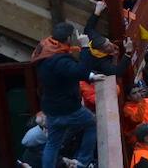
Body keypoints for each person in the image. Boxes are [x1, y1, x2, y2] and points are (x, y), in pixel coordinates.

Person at [34, 14, 114, 168]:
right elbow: (80, 70)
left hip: (50, 109)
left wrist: (91, 76)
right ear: (69, 38)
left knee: (52, 143)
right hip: (68, 109)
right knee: (91, 123)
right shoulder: (60, 60)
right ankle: (83, 162)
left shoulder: (45, 53)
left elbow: (71, 72)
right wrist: (85, 47)